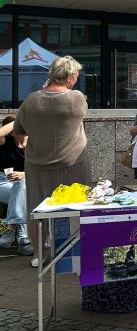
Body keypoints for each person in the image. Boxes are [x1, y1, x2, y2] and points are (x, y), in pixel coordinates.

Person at [14, 56, 91, 268]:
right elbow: (82, 114)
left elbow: (18, 130)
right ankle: (73, 253)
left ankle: (38, 255)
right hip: (72, 162)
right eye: (75, 76)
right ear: (69, 77)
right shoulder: (76, 98)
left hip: (37, 164)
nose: (76, 80)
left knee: (37, 210)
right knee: (76, 208)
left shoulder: (30, 100)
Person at [0, 115, 30, 255]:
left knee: (21, 185)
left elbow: (40, 168)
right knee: (22, 193)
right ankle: (23, 241)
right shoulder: (5, 142)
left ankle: (11, 229)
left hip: (24, 183)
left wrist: (24, 174)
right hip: (2, 182)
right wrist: (17, 121)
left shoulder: (33, 144)